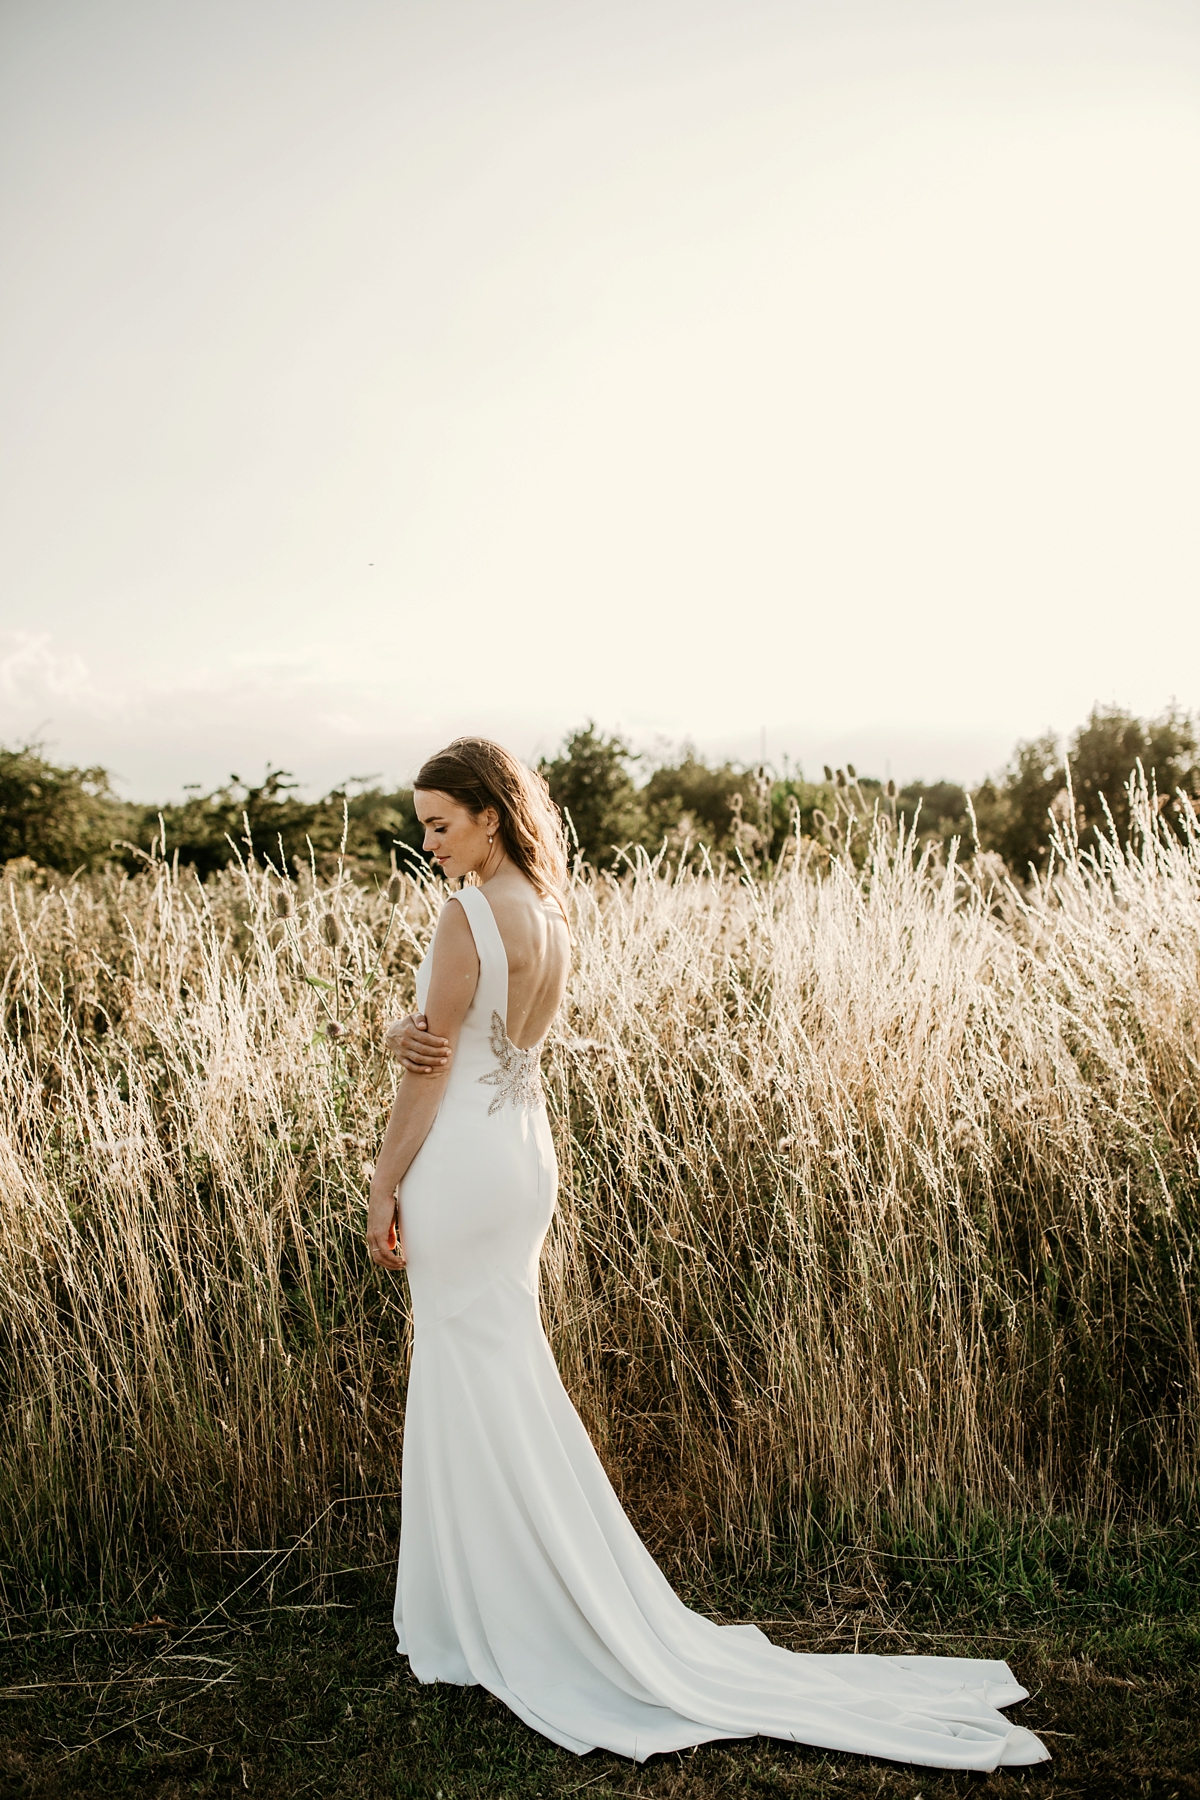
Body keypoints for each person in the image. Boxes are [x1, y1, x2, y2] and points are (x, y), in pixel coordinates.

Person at [367, 736, 1048, 1770]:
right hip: (523, 1158)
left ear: (488, 820)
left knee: (472, 1372)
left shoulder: (465, 913)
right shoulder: (548, 915)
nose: (428, 843)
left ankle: (492, 1615)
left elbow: (432, 1071)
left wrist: (382, 1179)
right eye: (422, 825)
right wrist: (406, 1033)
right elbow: (486, 1043)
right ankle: (513, 1593)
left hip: (461, 1159)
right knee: (499, 1372)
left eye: (440, 824)